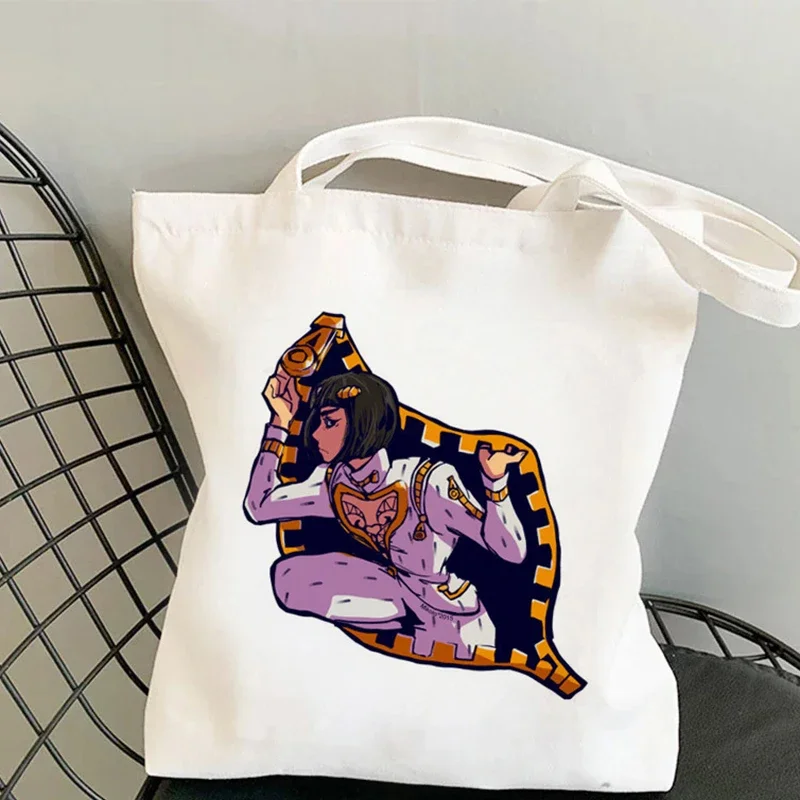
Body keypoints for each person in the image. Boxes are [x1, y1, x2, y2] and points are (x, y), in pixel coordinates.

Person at [243, 369, 527, 660]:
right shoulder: (332, 483)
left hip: (454, 620)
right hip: (395, 596)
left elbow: (511, 552)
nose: (316, 434)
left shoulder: (428, 481)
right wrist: (279, 423)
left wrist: (495, 484)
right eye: (319, 422)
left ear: (363, 422)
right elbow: (259, 507)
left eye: (330, 422)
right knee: (288, 577)